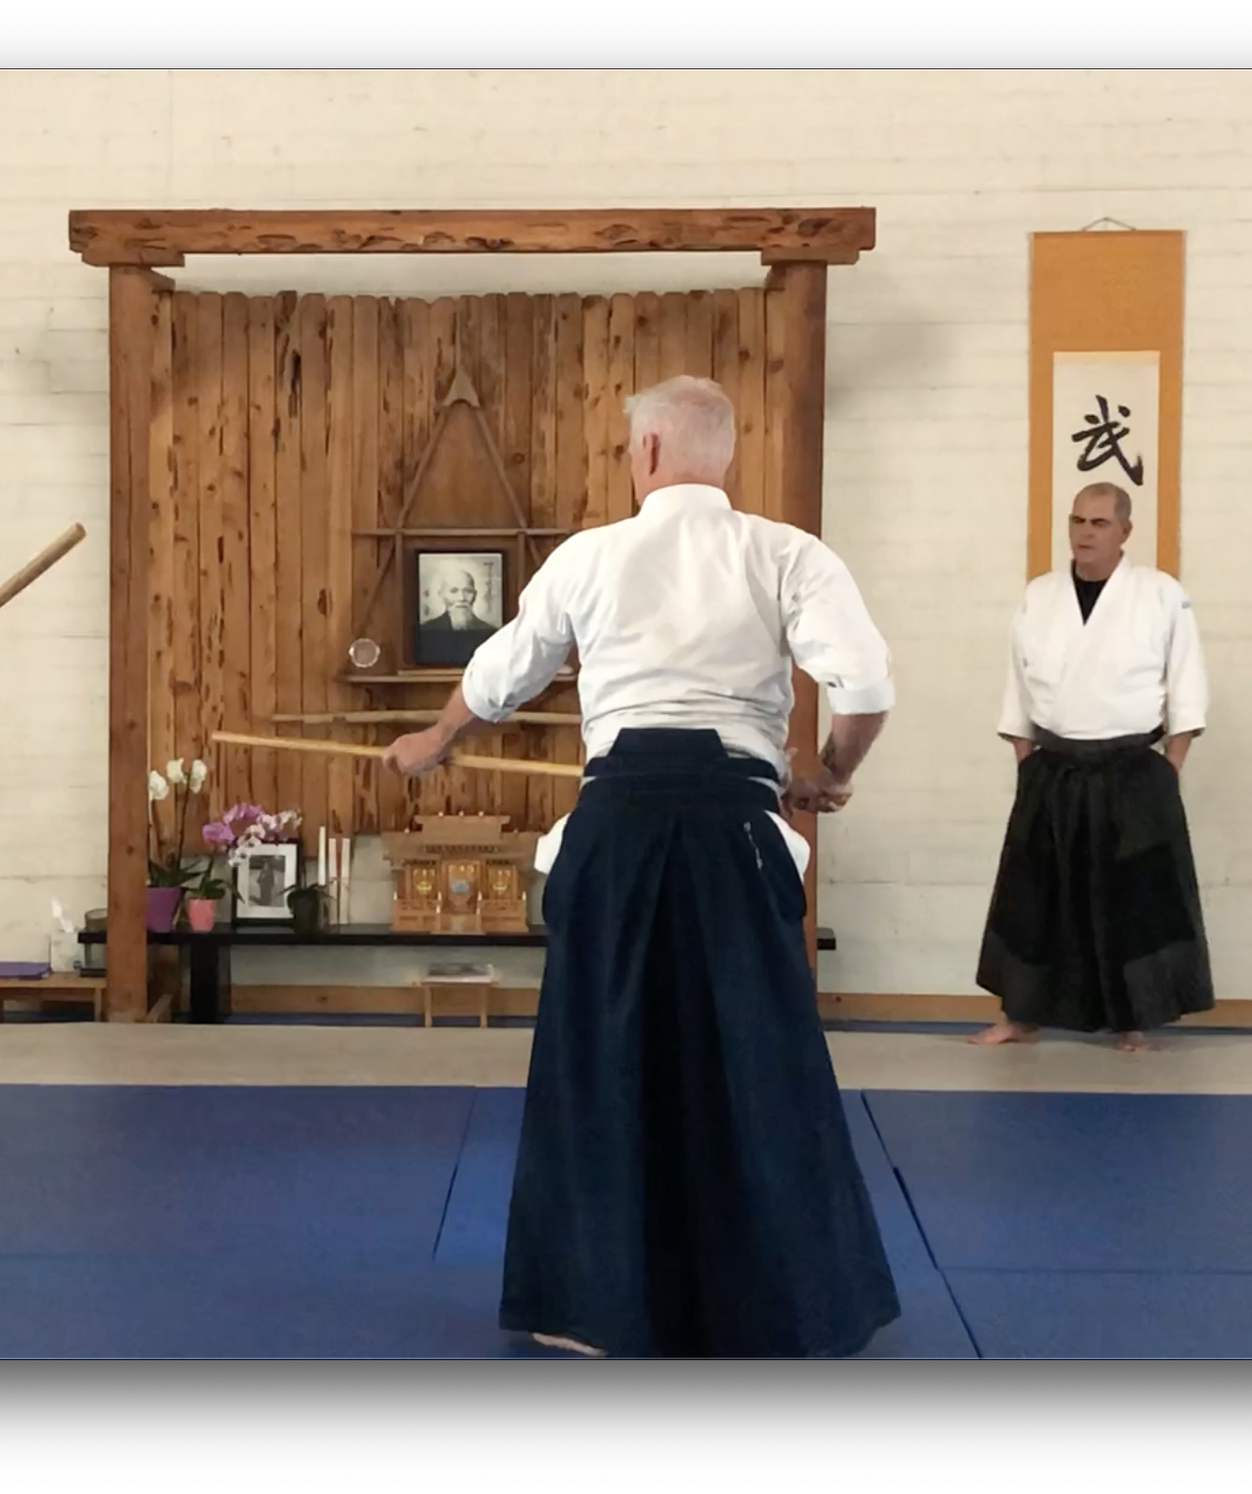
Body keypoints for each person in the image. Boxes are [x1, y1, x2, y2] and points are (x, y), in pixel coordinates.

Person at [384, 375, 902, 1359]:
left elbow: (501, 674)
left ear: (650, 451)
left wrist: (432, 741)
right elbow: (864, 686)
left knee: (600, 1057)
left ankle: (592, 1309)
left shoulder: (592, 556)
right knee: (758, 1056)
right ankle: (785, 1302)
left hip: (619, 826)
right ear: (726, 456)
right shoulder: (785, 553)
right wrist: (829, 773)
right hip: (738, 830)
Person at [972, 480, 1214, 1053]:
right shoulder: (1041, 594)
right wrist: (1027, 760)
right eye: (1078, 521)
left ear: (1125, 532)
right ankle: (1021, 1015)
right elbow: (1019, 683)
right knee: (1034, 894)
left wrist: (1167, 770)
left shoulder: (1160, 594)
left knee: (1131, 897)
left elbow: (1186, 685)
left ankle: (1134, 1019)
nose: (1084, 532)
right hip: (1053, 764)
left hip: (1132, 765)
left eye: (1099, 523)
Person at [416, 566, 497, 666]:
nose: (461, 598)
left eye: (468, 591)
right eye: (454, 591)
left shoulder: (492, 634)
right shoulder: (426, 633)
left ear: (475, 595)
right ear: (442, 595)